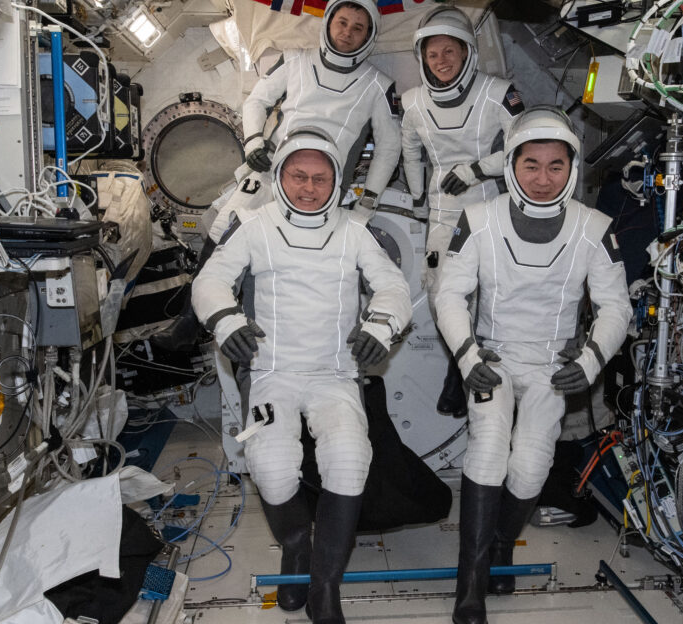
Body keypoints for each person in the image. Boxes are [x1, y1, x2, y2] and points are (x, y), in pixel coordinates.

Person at [192, 128, 411, 624]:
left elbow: (392, 284)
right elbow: (210, 280)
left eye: (320, 178)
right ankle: (296, 545)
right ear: (281, 176)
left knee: (350, 458)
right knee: (269, 463)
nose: (309, 188)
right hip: (272, 372)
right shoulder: (254, 225)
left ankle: (325, 586)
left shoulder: (355, 231)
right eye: (298, 176)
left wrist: (382, 324)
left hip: (334, 372)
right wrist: (227, 321)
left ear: (336, 181)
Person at [433, 106, 632, 624]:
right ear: (512, 167)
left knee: (529, 467)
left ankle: (501, 546)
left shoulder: (594, 228)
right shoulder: (479, 220)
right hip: (492, 358)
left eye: (555, 166)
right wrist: (467, 353)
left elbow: (616, 307)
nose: (542, 179)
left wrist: (590, 360)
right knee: (489, 450)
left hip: (553, 364)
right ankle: (470, 583)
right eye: (531, 165)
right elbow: (449, 294)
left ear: (572, 168)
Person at [399, 5, 525, 417]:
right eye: (433, 55)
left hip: (487, 207)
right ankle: (462, 362)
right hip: (442, 213)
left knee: (488, 292)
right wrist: (418, 192)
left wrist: (476, 170)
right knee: (439, 289)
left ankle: (476, 376)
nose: (442, 62)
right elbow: (409, 147)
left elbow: (524, 144)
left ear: (467, 52)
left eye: (449, 52)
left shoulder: (497, 92)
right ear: (422, 59)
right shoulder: (414, 101)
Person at [208, 0, 402, 243]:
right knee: (222, 235)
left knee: (290, 260)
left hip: (322, 189)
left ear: (368, 36)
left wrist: (368, 204)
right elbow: (256, 101)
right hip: (270, 171)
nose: (347, 32)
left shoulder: (378, 85)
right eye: (342, 22)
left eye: (358, 28)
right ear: (329, 22)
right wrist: (253, 144)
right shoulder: (294, 60)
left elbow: (389, 147)